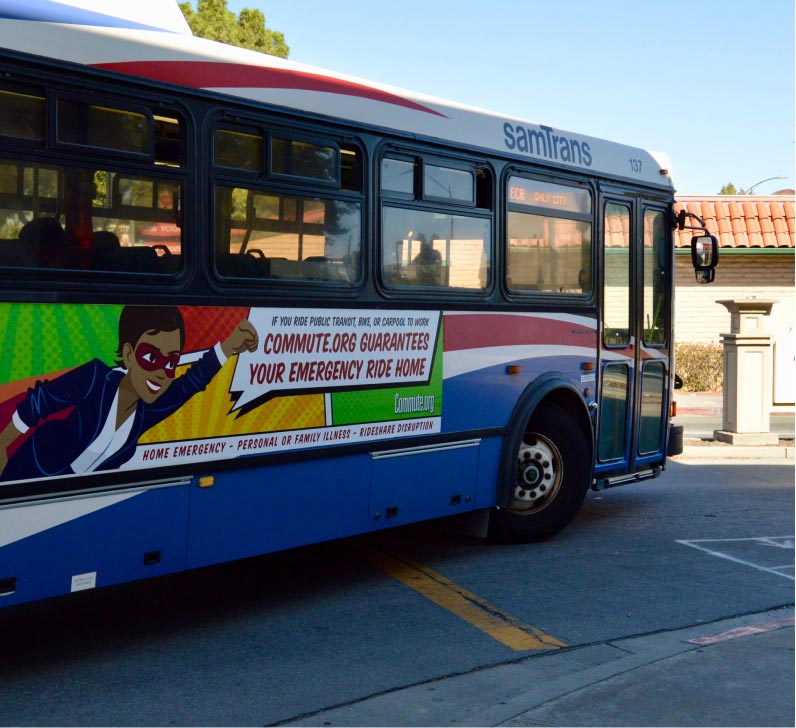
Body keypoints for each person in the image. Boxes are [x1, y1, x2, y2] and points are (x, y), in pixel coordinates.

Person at [0, 305, 258, 482]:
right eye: (151, 358)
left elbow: (190, 383)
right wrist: (2, 444)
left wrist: (228, 348)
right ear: (128, 354)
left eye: (171, 362)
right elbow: (39, 401)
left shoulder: (148, 409)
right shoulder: (95, 379)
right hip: (30, 473)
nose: (161, 373)